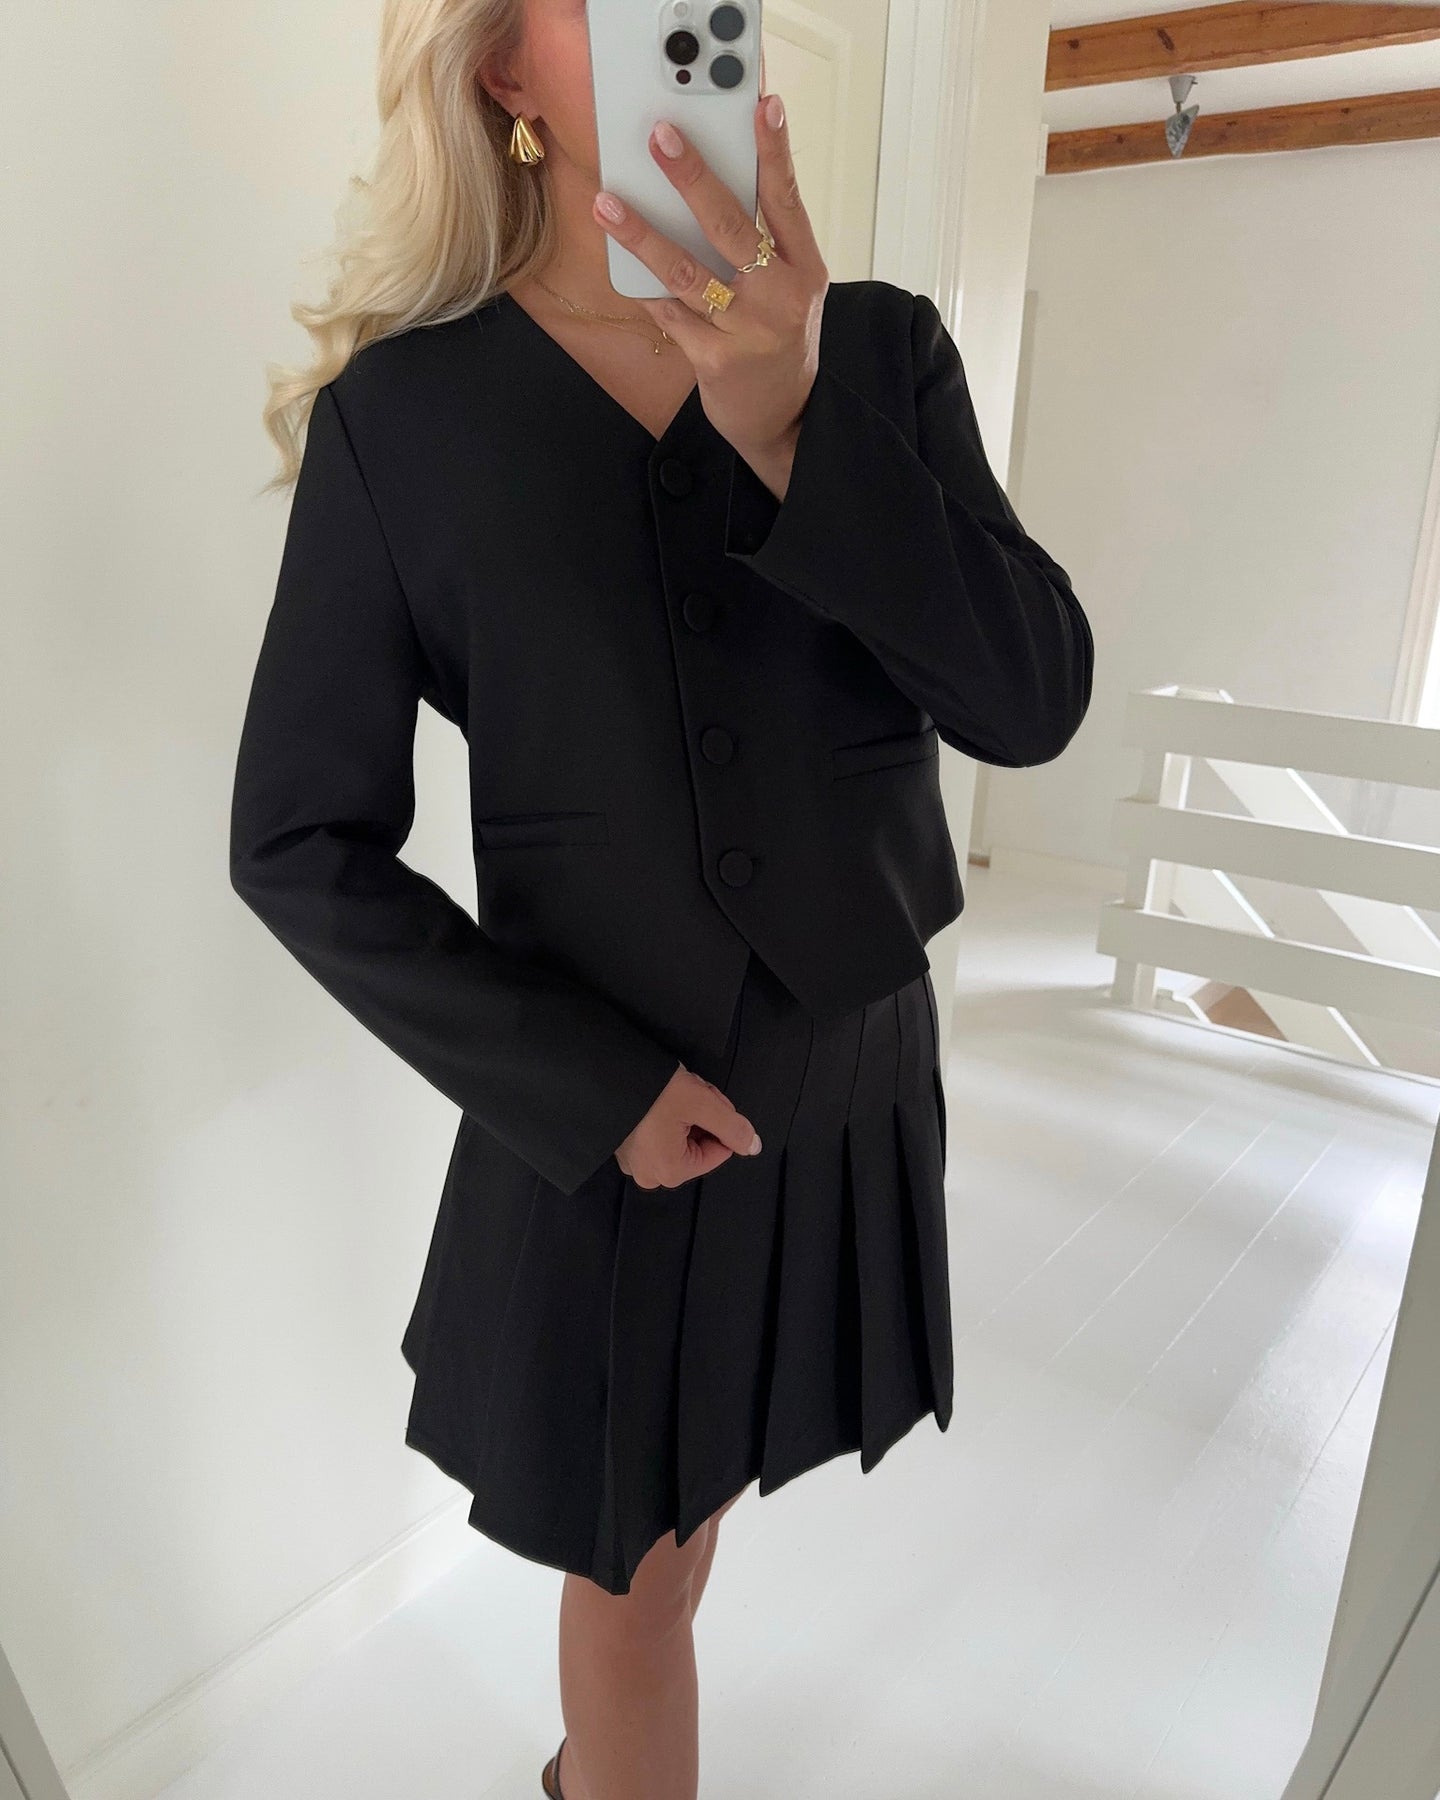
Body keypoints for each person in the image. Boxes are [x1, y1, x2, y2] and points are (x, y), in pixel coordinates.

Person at [228, 2, 1095, 1796]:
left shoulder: (880, 351)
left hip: (848, 1072)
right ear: (503, 71)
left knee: (685, 1530)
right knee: (628, 1569)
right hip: (608, 1112)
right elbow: (298, 839)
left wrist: (795, 425)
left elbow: (1029, 703)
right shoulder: (406, 418)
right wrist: (589, 1090)